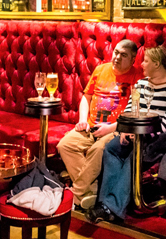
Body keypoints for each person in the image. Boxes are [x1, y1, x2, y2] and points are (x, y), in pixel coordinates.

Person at [86, 46, 166, 223]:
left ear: (157, 64)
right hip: (141, 134)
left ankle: (112, 208)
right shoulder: (142, 84)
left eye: (145, 61)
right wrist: (126, 129)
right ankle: (105, 203)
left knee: (134, 154)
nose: (141, 64)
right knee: (111, 148)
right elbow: (129, 112)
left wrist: (139, 134)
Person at [56, 39, 142, 210]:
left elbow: (135, 112)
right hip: (90, 126)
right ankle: (91, 190)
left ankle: (75, 193)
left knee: (98, 150)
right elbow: (86, 98)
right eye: (116, 52)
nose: (116, 57)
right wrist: (82, 120)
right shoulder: (101, 69)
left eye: (123, 55)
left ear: (133, 59)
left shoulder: (138, 78)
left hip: (116, 129)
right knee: (65, 145)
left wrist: (111, 128)